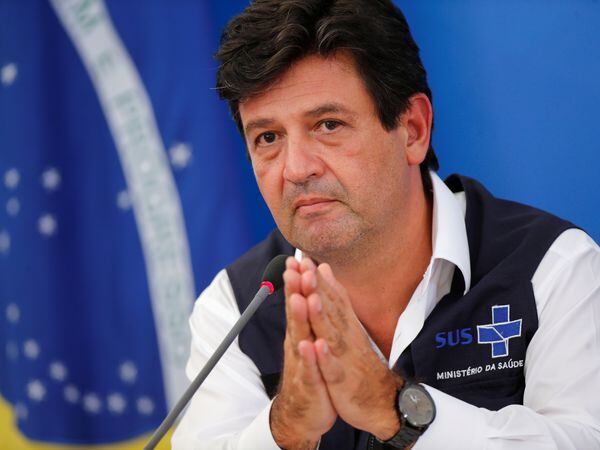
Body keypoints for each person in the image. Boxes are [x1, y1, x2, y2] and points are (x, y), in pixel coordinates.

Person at [172, 0, 600, 448]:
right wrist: (285, 429)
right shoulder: (236, 309)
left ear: (413, 129)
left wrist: (394, 408)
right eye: (268, 138)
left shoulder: (550, 267)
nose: (296, 168)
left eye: (328, 124)